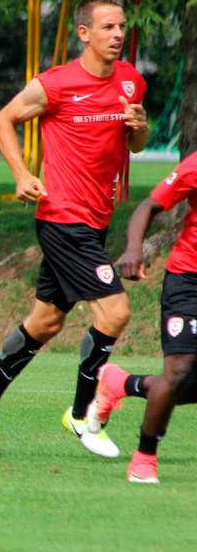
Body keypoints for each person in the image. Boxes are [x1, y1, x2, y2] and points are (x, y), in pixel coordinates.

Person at [0, 0, 149, 458]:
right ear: (84, 33)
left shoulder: (131, 82)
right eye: (108, 27)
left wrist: (140, 125)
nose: (118, 35)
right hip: (63, 219)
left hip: (96, 219)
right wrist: (21, 174)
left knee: (44, 322)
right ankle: (84, 416)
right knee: (116, 312)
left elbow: (137, 143)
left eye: (122, 27)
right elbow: (4, 120)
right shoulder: (55, 84)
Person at [87, 151, 197, 483]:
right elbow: (146, 207)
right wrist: (134, 248)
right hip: (190, 280)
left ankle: (120, 383)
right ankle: (144, 458)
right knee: (178, 371)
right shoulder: (194, 166)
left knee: (186, 385)